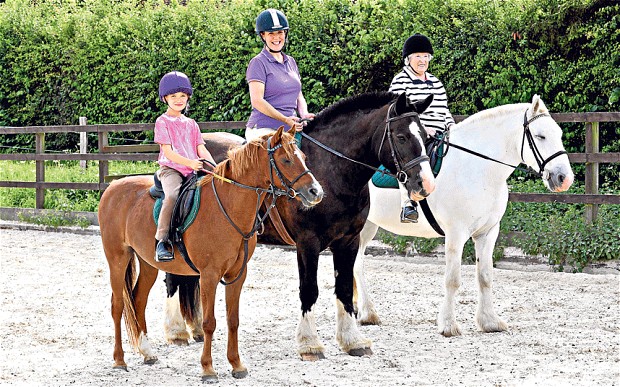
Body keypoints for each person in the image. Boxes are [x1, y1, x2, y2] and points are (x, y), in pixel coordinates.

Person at [389, 33, 455, 223]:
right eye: (418, 56)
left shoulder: (436, 83)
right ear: (408, 59)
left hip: (441, 134)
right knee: (409, 157)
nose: (423, 60)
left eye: (426, 56)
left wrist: (452, 127)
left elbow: (445, 111)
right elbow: (398, 114)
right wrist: (423, 129)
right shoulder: (400, 81)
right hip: (412, 134)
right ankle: (408, 205)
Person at [154, 71, 216, 262]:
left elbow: (201, 149)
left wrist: (216, 166)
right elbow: (169, 152)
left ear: (188, 97)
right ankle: (162, 241)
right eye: (173, 96)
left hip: (192, 169)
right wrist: (190, 162)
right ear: (165, 98)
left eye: (182, 96)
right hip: (171, 169)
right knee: (172, 195)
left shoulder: (191, 123)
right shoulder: (162, 122)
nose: (179, 100)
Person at [244, 8, 314, 142]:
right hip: (264, 130)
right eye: (271, 33)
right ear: (263, 35)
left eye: (280, 32)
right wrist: (285, 119)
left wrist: (304, 113)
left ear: (285, 33)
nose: (277, 37)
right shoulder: (258, 63)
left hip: (290, 129)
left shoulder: (291, 61)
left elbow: (298, 94)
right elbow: (257, 101)